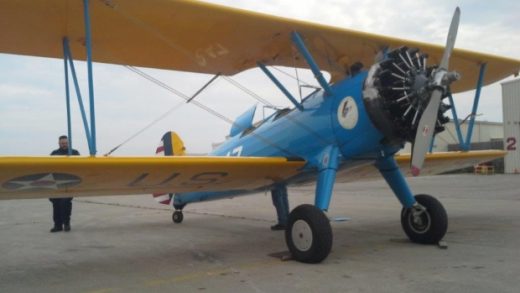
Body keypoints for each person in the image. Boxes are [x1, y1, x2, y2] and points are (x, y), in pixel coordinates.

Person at [49, 135, 80, 233]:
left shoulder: (75, 153)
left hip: (70, 183)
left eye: (66, 143)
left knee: (65, 202)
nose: (64, 145)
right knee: (56, 203)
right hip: (56, 183)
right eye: (62, 143)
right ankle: (57, 225)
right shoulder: (54, 153)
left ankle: (66, 223)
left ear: (69, 143)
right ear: (59, 143)